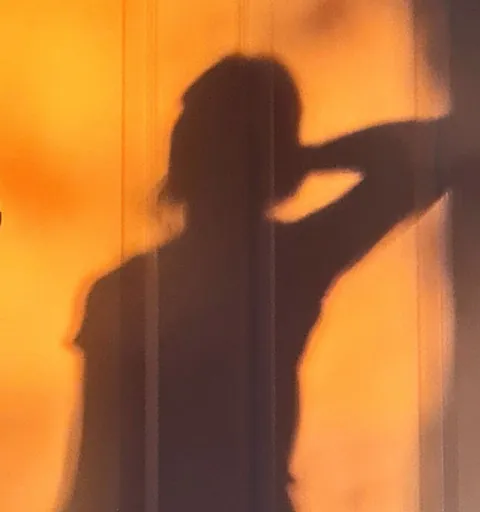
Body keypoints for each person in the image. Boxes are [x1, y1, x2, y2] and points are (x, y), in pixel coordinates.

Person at [64, 55, 446, 512]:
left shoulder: (125, 291)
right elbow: (428, 156)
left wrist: (297, 158)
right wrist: (308, 158)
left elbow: (93, 472)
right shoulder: (292, 262)